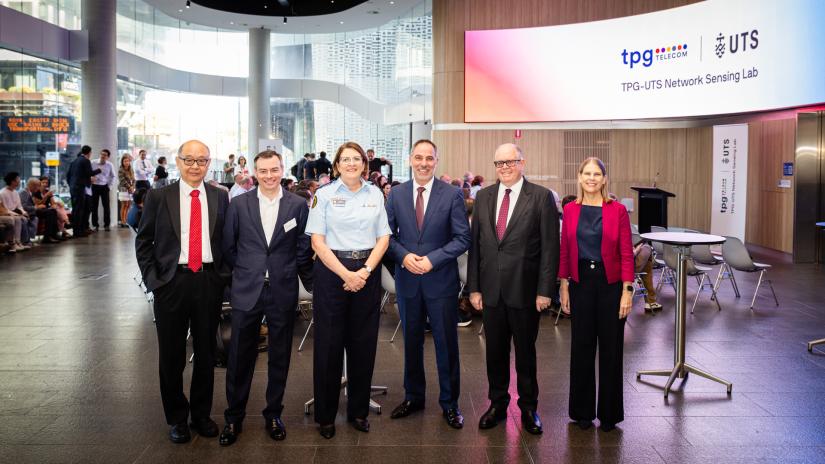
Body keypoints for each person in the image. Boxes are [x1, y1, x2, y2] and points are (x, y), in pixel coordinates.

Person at [135, 140, 230, 444]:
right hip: (171, 284)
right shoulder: (158, 196)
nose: (195, 166)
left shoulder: (220, 196)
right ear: (177, 162)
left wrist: (222, 277)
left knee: (206, 352)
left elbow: (227, 240)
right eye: (189, 159)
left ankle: (201, 415)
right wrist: (155, 281)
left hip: (208, 282)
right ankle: (177, 418)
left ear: (209, 163)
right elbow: (143, 241)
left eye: (201, 160)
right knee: (171, 355)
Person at [218, 150, 314, 446]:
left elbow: (303, 245)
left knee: (280, 355)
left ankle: (273, 414)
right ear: (254, 172)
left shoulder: (297, 205)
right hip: (247, 287)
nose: (269, 175)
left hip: (282, 288)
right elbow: (228, 246)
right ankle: (233, 417)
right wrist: (247, 272)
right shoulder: (239, 204)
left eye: (274, 170)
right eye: (263, 170)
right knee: (239, 356)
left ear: (282, 170)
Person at [467, 143, 559, 435]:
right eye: (499, 163)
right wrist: (474, 288)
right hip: (491, 291)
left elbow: (550, 248)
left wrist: (545, 291)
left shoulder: (541, 197)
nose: (504, 167)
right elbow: (476, 246)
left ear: (522, 162)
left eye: (510, 162)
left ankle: (529, 408)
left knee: (525, 354)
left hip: (526, 291)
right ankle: (497, 404)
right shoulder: (484, 197)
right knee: (494, 353)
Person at [305, 141, 391, 439]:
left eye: (357, 159)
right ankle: (325, 416)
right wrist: (346, 274)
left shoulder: (375, 194)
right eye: (346, 159)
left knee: (363, 344)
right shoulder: (324, 194)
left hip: (367, 271)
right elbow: (317, 242)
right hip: (332, 273)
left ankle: (358, 411)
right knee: (328, 345)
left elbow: (383, 238)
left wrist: (364, 271)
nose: (351, 163)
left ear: (364, 165)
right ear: (337, 165)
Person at [385, 139, 471, 429]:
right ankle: (413, 397)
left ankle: (450, 404)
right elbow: (387, 236)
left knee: (446, 344)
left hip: (440, 280)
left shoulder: (452, 194)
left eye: (429, 158)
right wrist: (404, 256)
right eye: (419, 157)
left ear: (436, 160)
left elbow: (462, 237)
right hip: (407, 280)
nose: (424, 163)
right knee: (411, 342)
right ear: (410, 159)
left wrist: (433, 259)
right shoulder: (396, 194)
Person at [558, 157, 633, 433]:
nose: (591, 178)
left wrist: (627, 291)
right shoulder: (570, 210)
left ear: (604, 179)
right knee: (582, 348)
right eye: (587, 173)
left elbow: (626, 253)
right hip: (580, 284)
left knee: (611, 350)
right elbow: (565, 250)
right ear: (579, 177)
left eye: (597, 174)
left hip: (611, 285)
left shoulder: (618, 210)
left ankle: (609, 414)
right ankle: (582, 412)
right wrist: (564, 285)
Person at [66, 145, 99, 237]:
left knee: (75, 209)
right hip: (80, 188)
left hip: (73, 188)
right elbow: (89, 173)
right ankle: (78, 232)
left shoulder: (74, 161)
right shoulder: (86, 160)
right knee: (80, 210)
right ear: (89, 153)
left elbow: (68, 175)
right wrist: (99, 170)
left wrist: (71, 185)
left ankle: (77, 230)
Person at [21, 177, 61, 243]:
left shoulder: (30, 192)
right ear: (32, 185)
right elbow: (24, 207)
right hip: (30, 212)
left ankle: (53, 234)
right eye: (38, 186)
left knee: (53, 211)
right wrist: (36, 207)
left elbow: (52, 203)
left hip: (36, 210)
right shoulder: (25, 192)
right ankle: (47, 237)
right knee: (49, 212)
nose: (38, 188)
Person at [0, 172, 31, 250]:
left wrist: (24, 212)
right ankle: (15, 242)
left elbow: (19, 206)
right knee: (18, 219)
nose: (19, 181)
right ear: (12, 181)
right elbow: (4, 209)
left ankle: (22, 242)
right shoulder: (2, 193)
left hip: (14, 212)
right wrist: (16, 214)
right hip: (7, 213)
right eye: (18, 179)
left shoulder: (15, 192)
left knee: (24, 219)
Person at [91, 149, 116, 231]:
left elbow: (113, 176)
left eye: (105, 155)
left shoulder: (110, 165)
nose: (103, 156)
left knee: (106, 207)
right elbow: (88, 173)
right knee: (94, 206)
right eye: (102, 154)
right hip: (94, 186)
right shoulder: (93, 162)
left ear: (108, 157)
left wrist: (109, 187)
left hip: (104, 187)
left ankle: (107, 225)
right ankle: (95, 225)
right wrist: (91, 178)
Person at [118, 154, 135, 228]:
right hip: (123, 189)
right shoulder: (121, 170)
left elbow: (134, 179)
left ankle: (126, 220)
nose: (126, 162)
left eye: (127, 161)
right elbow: (122, 181)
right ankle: (123, 221)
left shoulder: (131, 169)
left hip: (131, 189)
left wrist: (133, 187)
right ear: (122, 162)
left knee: (128, 205)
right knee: (124, 205)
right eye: (125, 161)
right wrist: (129, 187)